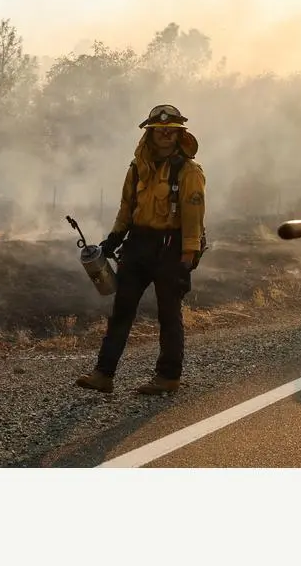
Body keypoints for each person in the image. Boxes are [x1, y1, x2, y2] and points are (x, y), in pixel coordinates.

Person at [75, 104, 207, 395]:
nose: (164, 135)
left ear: (178, 134)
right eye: (158, 130)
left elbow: (194, 215)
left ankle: (168, 377)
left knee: (168, 314)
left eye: (170, 130)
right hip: (137, 246)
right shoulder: (137, 169)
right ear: (150, 133)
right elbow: (126, 209)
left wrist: (188, 256)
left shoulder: (189, 171)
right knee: (122, 310)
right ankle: (103, 374)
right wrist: (113, 240)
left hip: (170, 248)